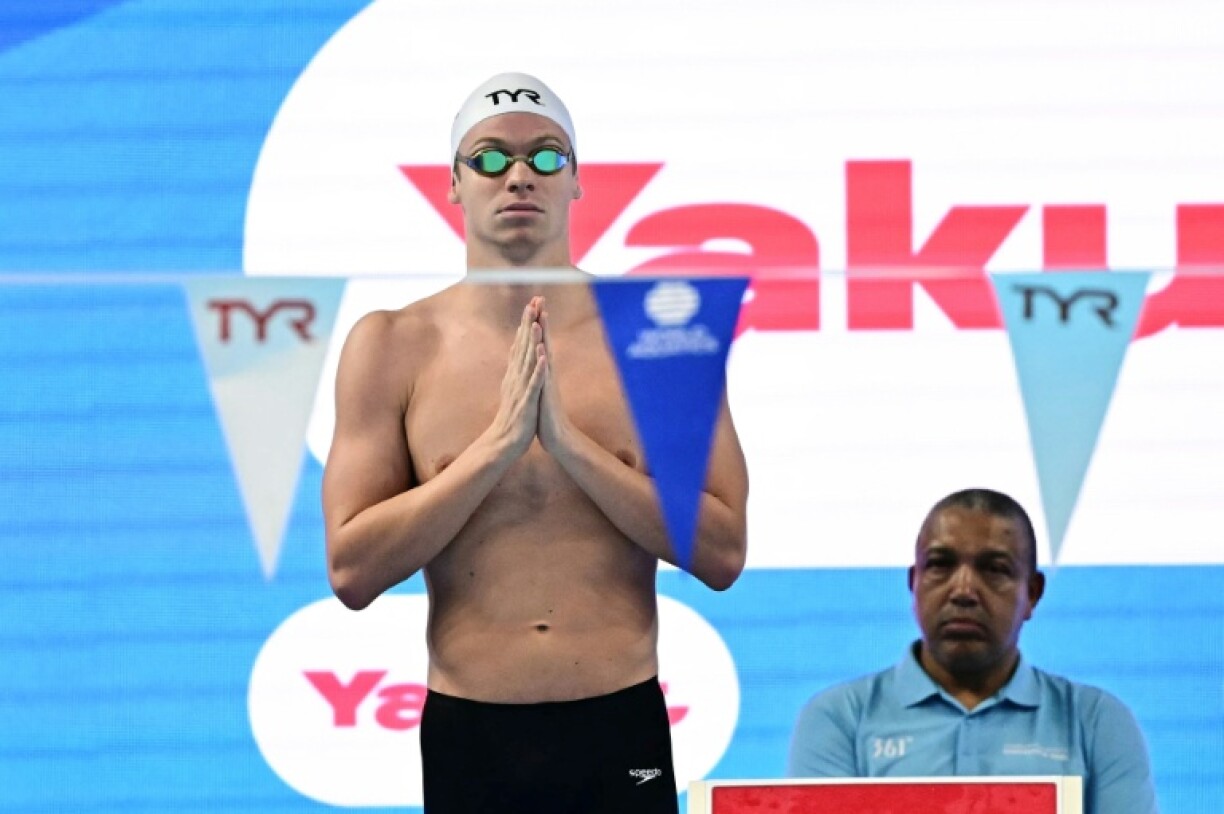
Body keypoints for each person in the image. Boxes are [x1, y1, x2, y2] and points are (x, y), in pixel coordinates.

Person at [322, 72, 749, 814]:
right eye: (489, 159)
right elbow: (351, 570)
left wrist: (573, 448)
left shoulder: (658, 334)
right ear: (452, 185)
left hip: (620, 724)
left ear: (577, 182)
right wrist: (495, 450)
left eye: (546, 157)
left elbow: (722, 555)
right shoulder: (392, 345)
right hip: (470, 736)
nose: (518, 176)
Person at [787, 488, 1158, 814]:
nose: (963, 589)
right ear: (913, 582)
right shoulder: (840, 719)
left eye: (993, 569)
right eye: (940, 566)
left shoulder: (1095, 723)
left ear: (1032, 593)